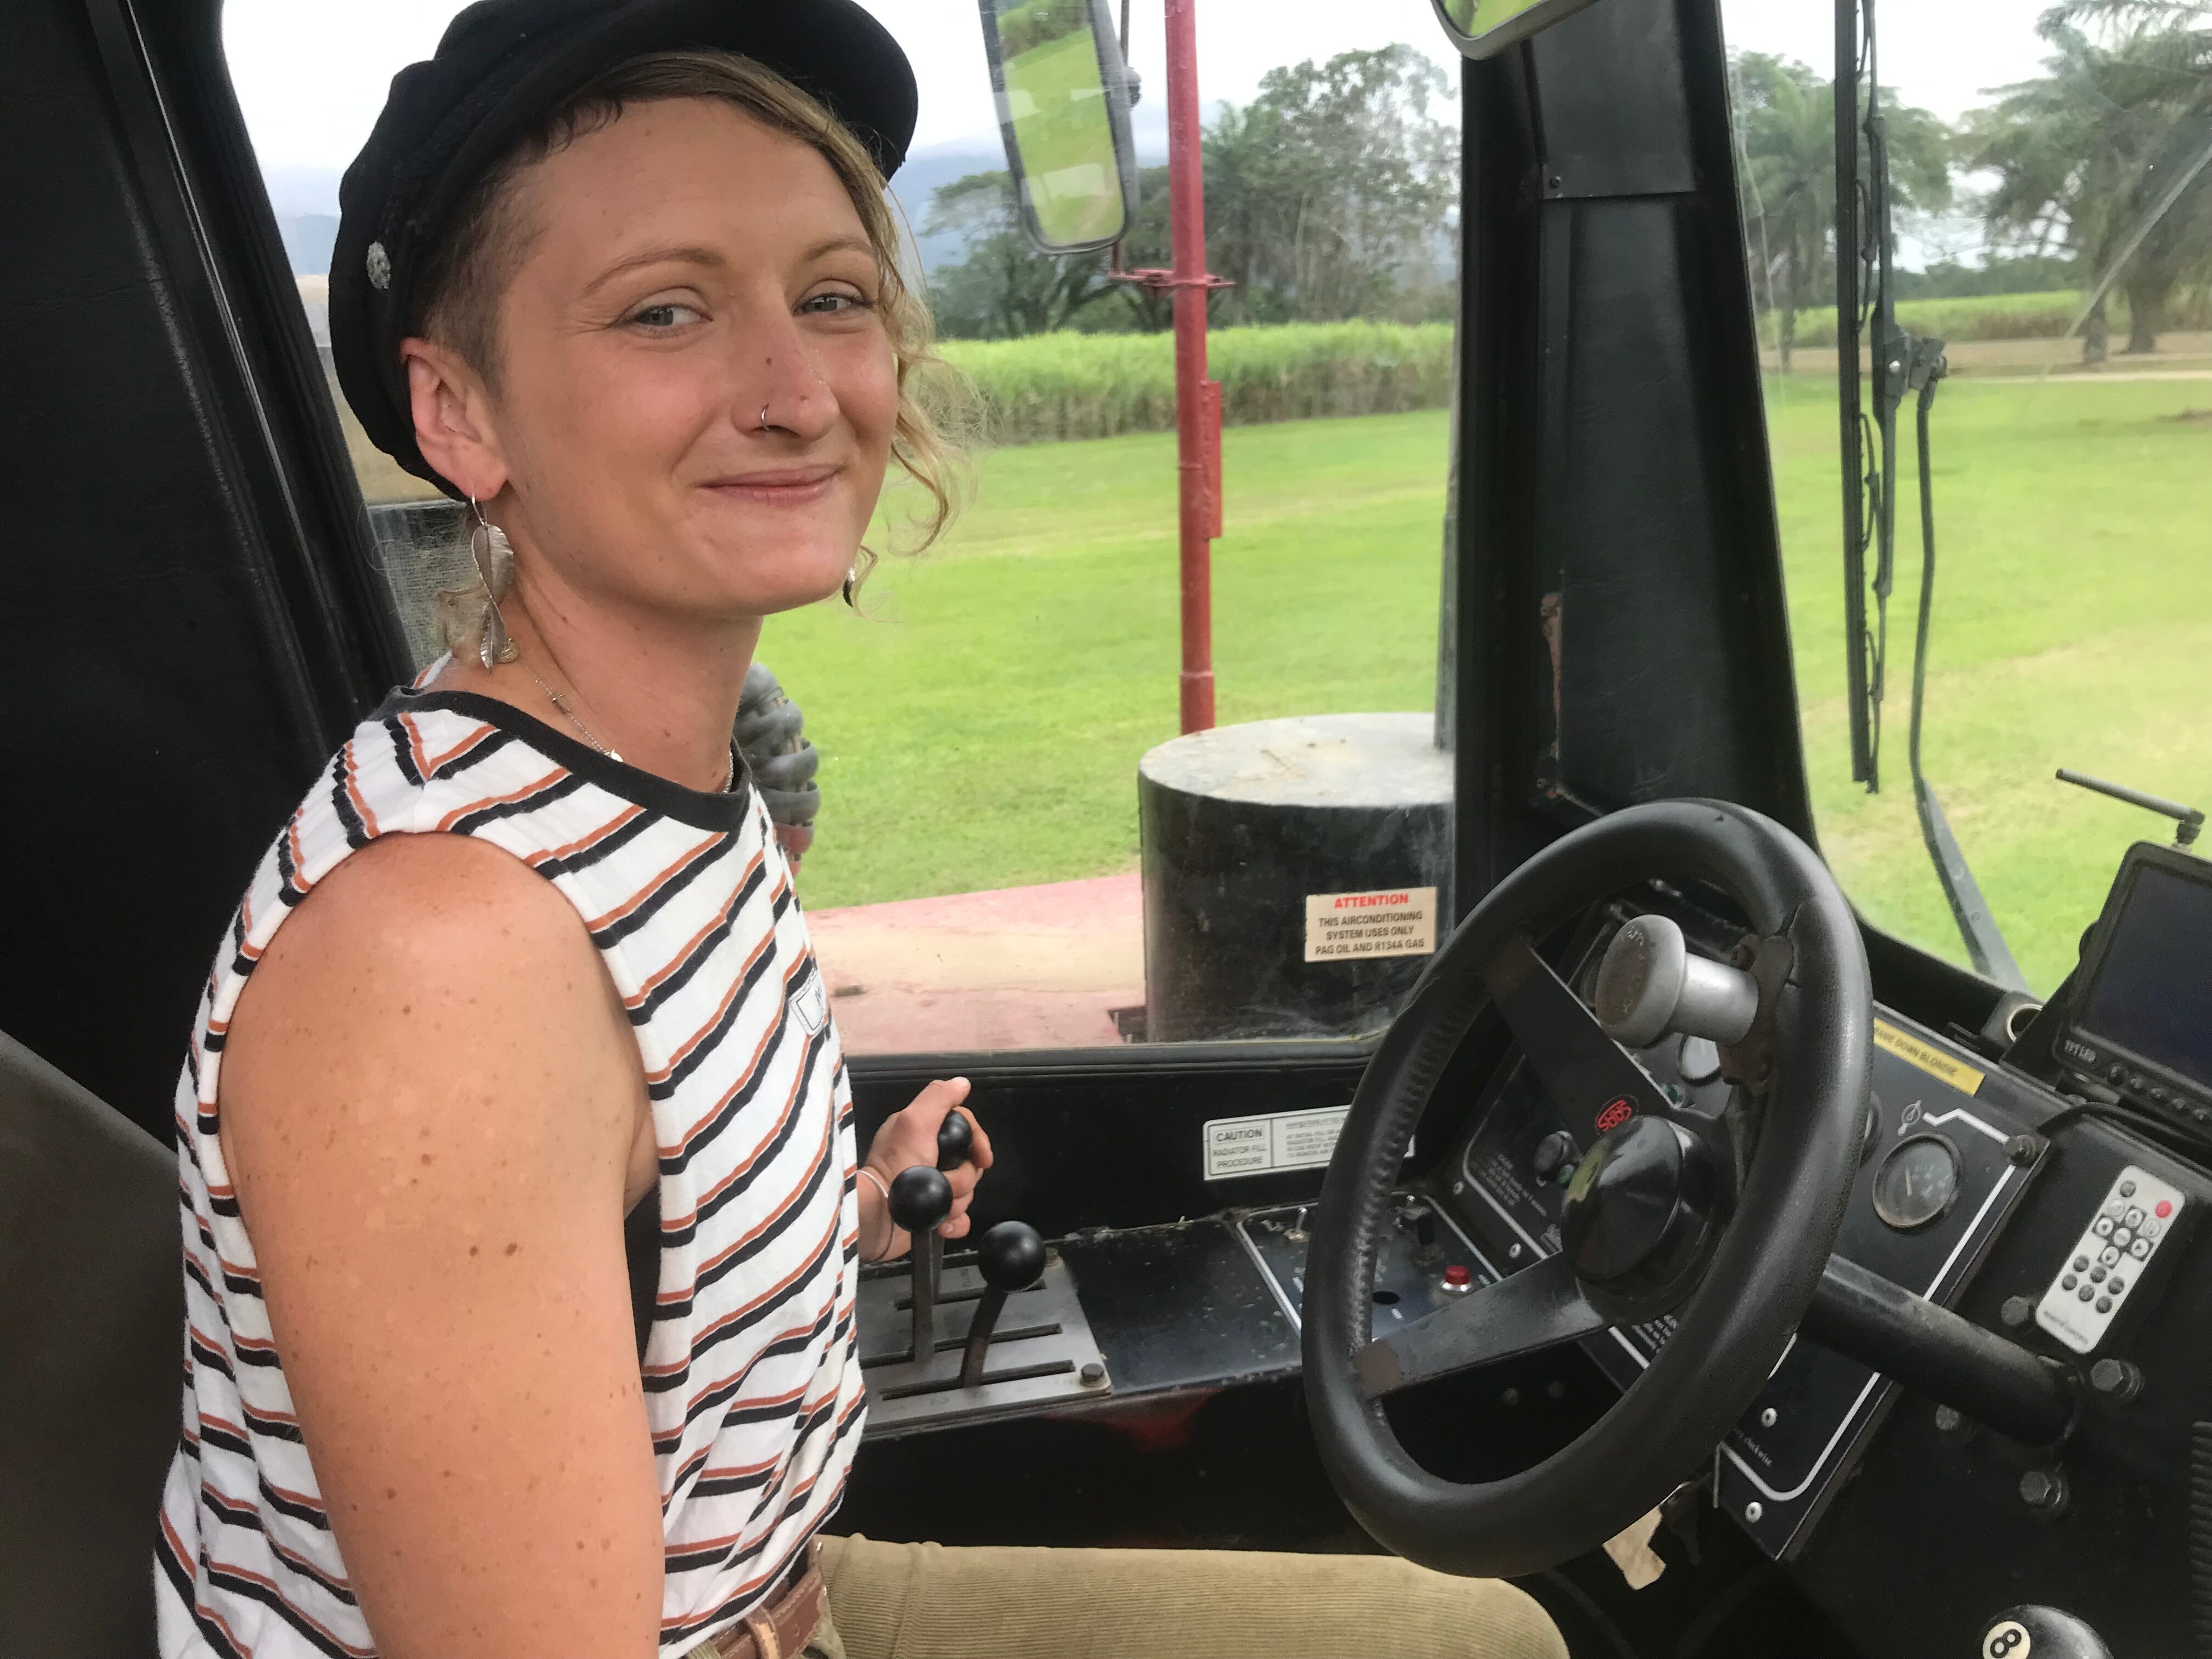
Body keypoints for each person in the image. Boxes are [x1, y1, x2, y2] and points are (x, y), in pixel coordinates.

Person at [157, 4, 1568, 1656]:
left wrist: (839, 1204)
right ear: (462, 415)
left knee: (1485, 1643)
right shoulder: (441, 963)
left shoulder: (660, 793)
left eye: (833, 299)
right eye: (664, 311)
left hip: (778, 1586)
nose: (793, 389)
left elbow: (617, 1246)